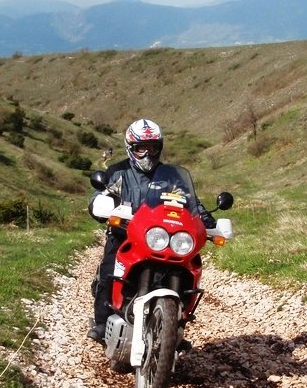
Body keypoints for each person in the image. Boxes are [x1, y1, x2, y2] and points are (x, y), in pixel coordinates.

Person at [86, 118, 216, 342]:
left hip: (164, 236)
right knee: (109, 268)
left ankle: (175, 324)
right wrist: (99, 206)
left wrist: (207, 221)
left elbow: (190, 201)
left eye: (153, 147)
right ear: (131, 148)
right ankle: (102, 320)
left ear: (160, 148)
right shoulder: (118, 173)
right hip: (126, 234)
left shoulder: (172, 176)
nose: (147, 153)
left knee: (186, 269)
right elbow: (101, 195)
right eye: (141, 148)